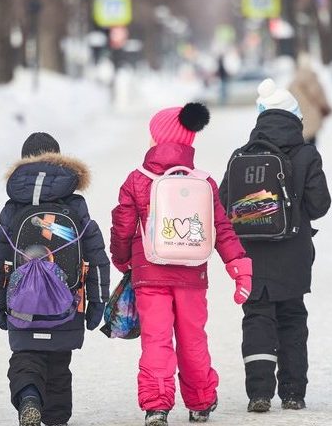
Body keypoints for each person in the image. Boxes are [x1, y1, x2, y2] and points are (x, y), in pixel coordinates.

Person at [109, 103, 253, 426]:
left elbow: (122, 225)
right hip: (192, 276)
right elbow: (222, 228)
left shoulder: (137, 180)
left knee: (156, 339)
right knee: (193, 338)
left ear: (159, 139)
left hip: (150, 275)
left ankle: (157, 405)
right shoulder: (204, 182)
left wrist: (122, 260)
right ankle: (201, 401)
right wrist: (238, 264)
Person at [219, 79, 331, 413]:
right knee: (292, 319)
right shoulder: (307, 154)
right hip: (293, 255)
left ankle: (259, 392)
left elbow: (224, 202)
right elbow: (320, 204)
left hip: (253, 254)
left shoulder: (241, 155)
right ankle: (294, 392)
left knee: (257, 318)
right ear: (296, 118)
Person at [0, 132, 110, 426]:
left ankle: (29, 397)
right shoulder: (76, 207)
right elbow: (97, 258)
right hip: (66, 302)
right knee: (58, 365)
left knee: (25, 357)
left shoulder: (13, 208)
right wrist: (97, 303)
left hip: (22, 304)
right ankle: (56, 418)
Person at [287, 53, 332, 144]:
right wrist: (326, 108)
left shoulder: (293, 81)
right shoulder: (310, 78)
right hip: (311, 115)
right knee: (311, 143)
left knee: (302, 144)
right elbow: (318, 94)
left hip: (298, 118)